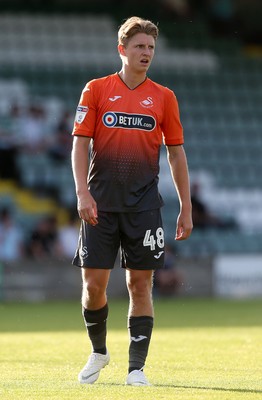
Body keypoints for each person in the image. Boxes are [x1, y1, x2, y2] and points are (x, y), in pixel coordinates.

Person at [71, 16, 193, 386]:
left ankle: (136, 368)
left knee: (140, 285)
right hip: (100, 206)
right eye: (140, 46)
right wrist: (82, 192)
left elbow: (176, 153)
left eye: (151, 48)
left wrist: (186, 206)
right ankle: (99, 351)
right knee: (93, 285)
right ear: (122, 49)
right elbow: (80, 143)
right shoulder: (95, 90)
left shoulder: (164, 97)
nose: (146, 53)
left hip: (144, 207)